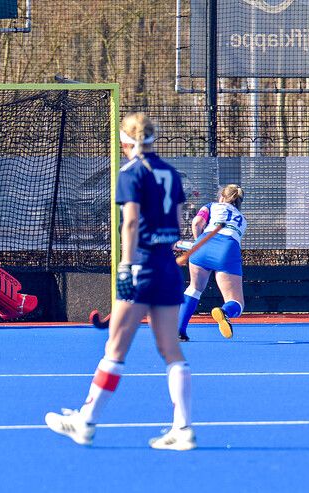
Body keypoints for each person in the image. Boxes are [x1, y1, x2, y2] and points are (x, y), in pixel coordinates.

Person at [45, 112, 196, 451]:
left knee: (115, 348)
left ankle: (85, 422)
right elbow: (176, 218)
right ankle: (183, 429)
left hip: (141, 264)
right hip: (167, 266)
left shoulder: (130, 172)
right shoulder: (171, 173)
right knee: (171, 349)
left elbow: (130, 223)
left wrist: (127, 266)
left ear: (126, 142)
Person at [177, 185, 247, 341]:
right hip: (227, 249)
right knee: (236, 302)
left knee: (194, 288)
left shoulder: (211, 206)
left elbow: (196, 223)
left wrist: (198, 243)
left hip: (203, 245)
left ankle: (179, 330)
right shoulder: (242, 219)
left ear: (222, 197)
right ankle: (225, 312)